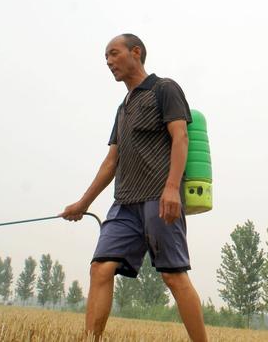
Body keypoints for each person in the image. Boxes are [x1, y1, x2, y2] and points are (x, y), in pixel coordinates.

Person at [61, 34, 207, 342]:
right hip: (124, 203)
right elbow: (111, 161)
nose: (109, 62)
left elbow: (181, 138)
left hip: (159, 196)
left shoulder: (164, 89)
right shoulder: (122, 108)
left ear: (136, 52)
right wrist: (83, 203)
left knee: (172, 275)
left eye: (114, 54)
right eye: (106, 57)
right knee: (100, 268)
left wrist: (171, 189)